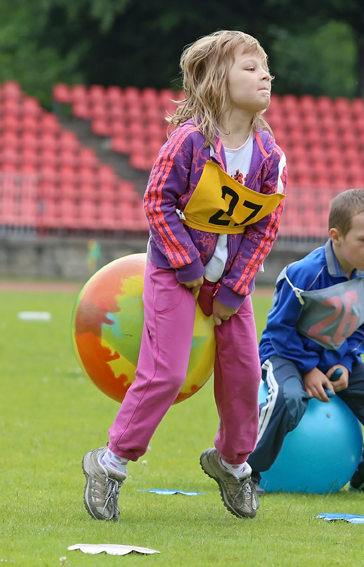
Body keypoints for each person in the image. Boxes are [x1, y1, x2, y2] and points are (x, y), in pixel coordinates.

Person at [81, 30, 286, 521]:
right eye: (251, 67)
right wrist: (188, 266)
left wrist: (235, 288)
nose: (266, 76)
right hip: (174, 273)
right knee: (167, 373)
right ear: (217, 80)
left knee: (244, 377)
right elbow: (158, 202)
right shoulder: (189, 142)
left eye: (266, 68)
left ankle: (231, 463)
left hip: (231, 284)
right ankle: (109, 463)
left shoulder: (269, 154)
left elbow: (266, 224)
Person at [247, 189, 364, 496]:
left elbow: (363, 328)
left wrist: (345, 364)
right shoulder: (304, 274)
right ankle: (246, 473)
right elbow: (279, 330)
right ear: (336, 236)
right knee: (287, 399)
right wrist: (308, 369)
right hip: (284, 355)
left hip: (334, 359)